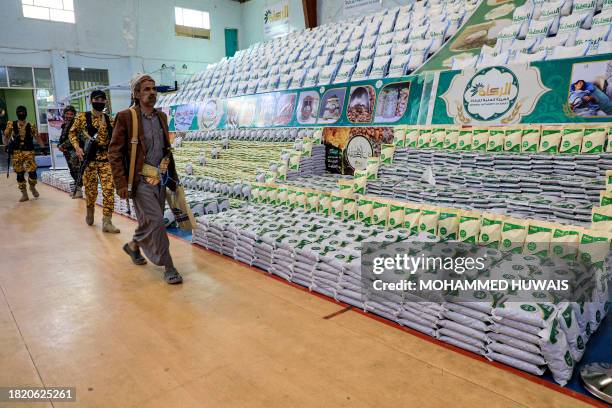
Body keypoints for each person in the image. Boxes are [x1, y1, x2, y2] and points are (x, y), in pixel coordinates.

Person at [109, 74, 183, 284]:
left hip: (159, 178)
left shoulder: (161, 117)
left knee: (150, 221)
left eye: (154, 89)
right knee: (158, 222)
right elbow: (114, 152)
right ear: (136, 94)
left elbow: (165, 149)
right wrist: (121, 183)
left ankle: (133, 246)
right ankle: (168, 266)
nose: (152, 93)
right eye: (146, 89)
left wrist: (172, 176)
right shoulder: (126, 117)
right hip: (139, 179)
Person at [69, 90, 120, 233]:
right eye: (97, 99)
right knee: (91, 191)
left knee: (109, 190)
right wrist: (77, 147)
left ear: (106, 102)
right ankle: (90, 209)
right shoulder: (82, 117)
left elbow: (116, 139)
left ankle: (107, 221)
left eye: (102, 100)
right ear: (91, 101)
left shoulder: (110, 119)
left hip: (105, 160)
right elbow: (72, 132)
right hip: (89, 161)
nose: (100, 102)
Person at [3, 105, 45, 202]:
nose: (21, 113)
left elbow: (37, 137)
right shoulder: (11, 124)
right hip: (16, 153)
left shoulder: (31, 125)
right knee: (20, 174)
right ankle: (24, 194)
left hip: (29, 152)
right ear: (17, 113)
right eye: (19, 112)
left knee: (33, 173)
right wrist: (6, 146)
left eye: (23, 111)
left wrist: (42, 148)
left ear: (26, 113)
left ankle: (32, 187)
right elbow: (6, 136)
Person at [57, 105, 82, 198]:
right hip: (67, 152)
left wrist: (62, 145)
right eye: (67, 114)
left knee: (76, 171)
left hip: (74, 152)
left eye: (71, 114)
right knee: (72, 170)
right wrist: (60, 145)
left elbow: (75, 138)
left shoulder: (75, 123)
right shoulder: (65, 124)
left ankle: (79, 191)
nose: (69, 116)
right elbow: (63, 137)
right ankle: (77, 190)